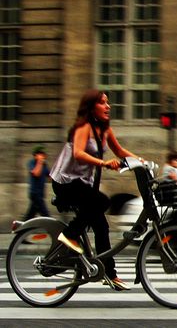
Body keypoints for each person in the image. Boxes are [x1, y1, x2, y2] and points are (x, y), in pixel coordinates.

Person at [50, 89, 140, 291]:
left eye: (108, 102)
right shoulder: (83, 127)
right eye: (103, 103)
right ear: (91, 107)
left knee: (102, 226)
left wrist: (139, 161)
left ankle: (109, 273)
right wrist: (104, 163)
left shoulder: (105, 129)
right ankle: (69, 235)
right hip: (66, 182)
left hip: (82, 183)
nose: (108, 106)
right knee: (102, 202)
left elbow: (119, 150)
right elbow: (78, 153)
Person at [22, 145, 51, 220]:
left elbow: (50, 175)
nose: (44, 156)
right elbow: (36, 173)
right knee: (46, 215)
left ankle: (20, 229)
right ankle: (54, 231)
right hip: (35, 194)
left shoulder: (44, 165)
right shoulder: (31, 163)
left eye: (44, 155)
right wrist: (39, 162)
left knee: (30, 215)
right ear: (36, 155)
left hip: (40, 194)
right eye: (41, 154)